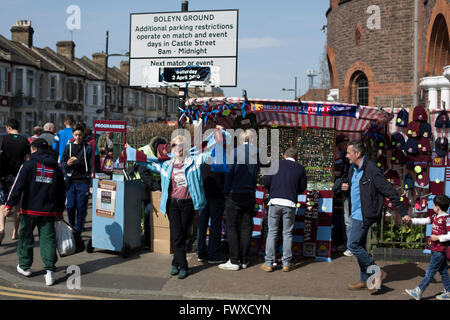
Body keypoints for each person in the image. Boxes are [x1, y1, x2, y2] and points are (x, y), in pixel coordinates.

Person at [130, 125, 227, 279]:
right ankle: (184, 265)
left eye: (181, 145)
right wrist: (131, 153)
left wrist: (219, 133)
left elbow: (209, 152)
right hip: (172, 205)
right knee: (177, 235)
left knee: (181, 235)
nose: (178, 148)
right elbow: (147, 163)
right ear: (171, 148)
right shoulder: (166, 164)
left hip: (188, 204)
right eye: (174, 145)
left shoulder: (194, 161)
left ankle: (175, 262)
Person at [342, 140, 410, 291]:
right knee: (359, 246)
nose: (346, 156)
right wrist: (345, 187)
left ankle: (376, 271)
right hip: (355, 213)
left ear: (357, 153)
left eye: (348, 153)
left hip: (364, 215)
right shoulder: (353, 169)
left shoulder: (372, 170)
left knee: (352, 245)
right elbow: (352, 187)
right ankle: (365, 279)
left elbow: (389, 191)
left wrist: (403, 212)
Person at [4, 138, 65, 286]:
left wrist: (9, 205)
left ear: (35, 149)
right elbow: (61, 191)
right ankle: (49, 272)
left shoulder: (28, 165)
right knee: (48, 240)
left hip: (29, 209)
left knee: (25, 238)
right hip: (49, 211)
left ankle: (25, 267)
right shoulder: (55, 167)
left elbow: (17, 186)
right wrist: (59, 210)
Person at [219, 129, 261, 271]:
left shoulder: (235, 152)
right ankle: (244, 259)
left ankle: (234, 260)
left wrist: (226, 191)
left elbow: (229, 173)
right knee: (246, 226)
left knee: (232, 226)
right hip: (249, 193)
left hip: (234, 193)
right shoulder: (257, 153)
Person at [261, 147, 307, 272]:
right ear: (296, 157)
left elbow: (266, 183)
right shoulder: (300, 168)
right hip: (290, 203)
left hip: (274, 201)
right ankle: (286, 263)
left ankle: (269, 263)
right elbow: (302, 187)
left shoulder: (276, 164)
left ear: (284, 156)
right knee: (287, 234)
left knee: (272, 232)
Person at [404, 194, 450, 300]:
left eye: (433, 205)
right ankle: (448, 291)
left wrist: (438, 237)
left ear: (437, 206)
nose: (433, 207)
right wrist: (412, 221)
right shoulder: (435, 216)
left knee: (430, 271)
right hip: (435, 250)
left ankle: (419, 291)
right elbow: (424, 220)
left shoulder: (446, 219)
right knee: (443, 271)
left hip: (439, 251)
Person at [0, 118, 31, 244]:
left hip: (4, 176)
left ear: (8, 127)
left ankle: (1, 228)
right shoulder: (25, 141)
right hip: (19, 176)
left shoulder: (3, 139)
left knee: (2, 203)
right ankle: (15, 232)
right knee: (17, 205)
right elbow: (28, 159)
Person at [61, 124, 93, 244]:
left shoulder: (88, 148)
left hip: (83, 181)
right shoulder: (68, 147)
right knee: (70, 206)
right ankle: (72, 227)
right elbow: (62, 163)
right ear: (72, 135)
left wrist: (91, 184)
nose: (78, 137)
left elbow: (91, 167)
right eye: (76, 135)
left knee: (81, 207)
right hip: (70, 182)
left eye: (80, 135)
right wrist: (67, 164)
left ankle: (78, 230)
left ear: (83, 135)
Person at [196, 163, 226, 264]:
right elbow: (226, 178)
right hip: (217, 196)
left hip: (203, 196)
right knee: (215, 226)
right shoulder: (221, 161)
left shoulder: (202, 161)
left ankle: (201, 252)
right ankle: (214, 254)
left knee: (202, 225)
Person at [333, 134, 353, 257]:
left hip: (348, 191)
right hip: (345, 190)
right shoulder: (343, 156)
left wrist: (345, 183)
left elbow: (347, 173)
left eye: (338, 145)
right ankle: (347, 243)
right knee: (345, 218)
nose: (338, 148)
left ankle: (350, 246)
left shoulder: (346, 157)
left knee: (348, 219)